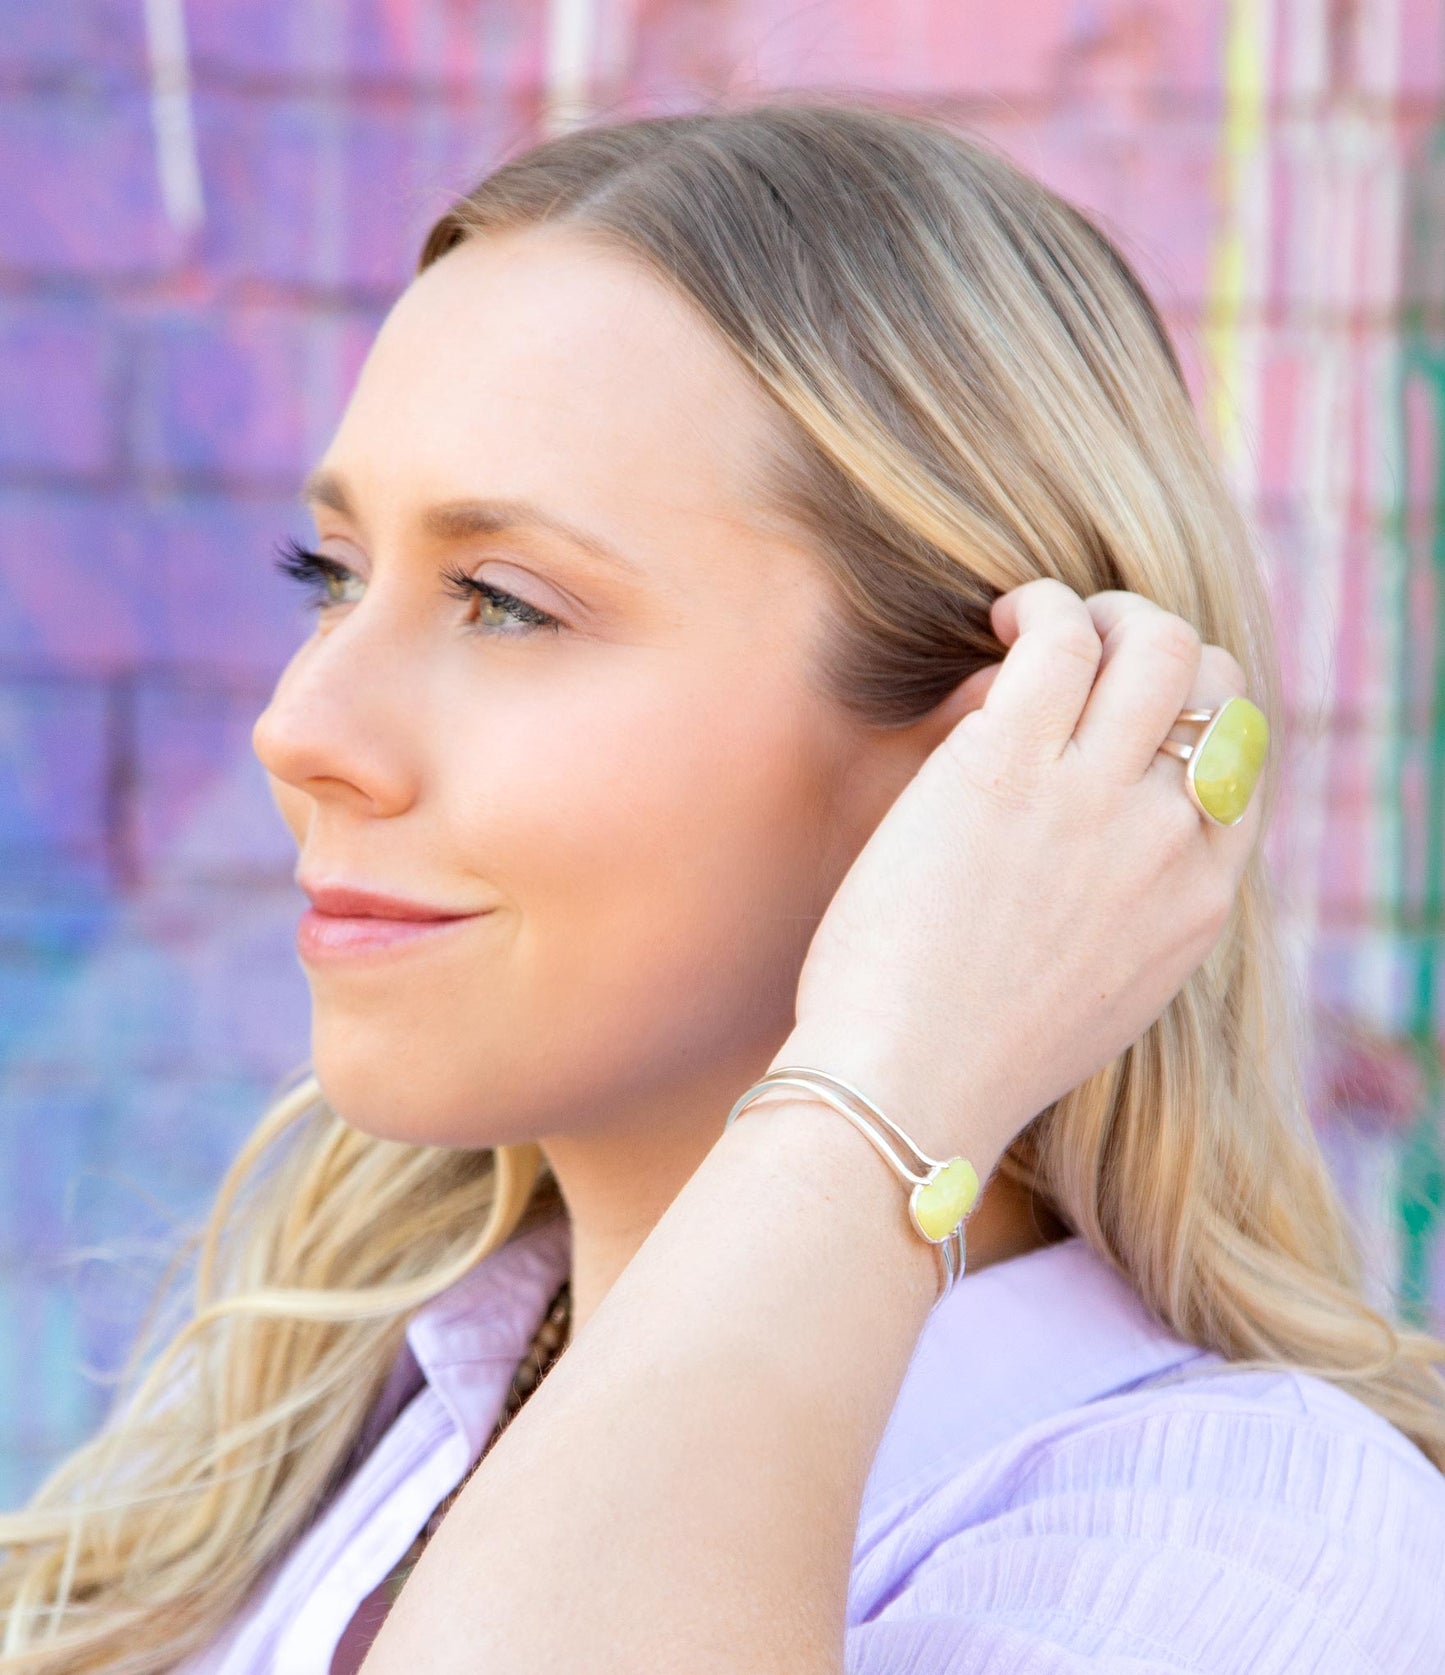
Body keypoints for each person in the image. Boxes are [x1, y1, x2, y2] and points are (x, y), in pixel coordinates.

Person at [3, 97, 1443, 1675]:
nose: (299, 729)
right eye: (331, 579)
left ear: (998, 756)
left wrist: (887, 1091)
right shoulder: (348, 1429)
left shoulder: (1242, 1543)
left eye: (501, 602)